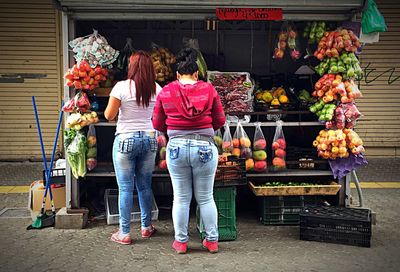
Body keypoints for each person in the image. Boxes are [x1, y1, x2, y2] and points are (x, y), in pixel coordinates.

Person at [152, 48, 226, 254]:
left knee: (181, 198)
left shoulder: (166, 91)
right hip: (205, 146)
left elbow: (157, 123)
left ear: (177, 75)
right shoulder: (209, 90)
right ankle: (211, 241)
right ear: (196, 74)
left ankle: (181, 243)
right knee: (206, 198)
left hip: (175, 148)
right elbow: (220, 120)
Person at [105, 51, 161, 245]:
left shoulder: (121, 87)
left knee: (125, 188)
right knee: (145, 186)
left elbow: (109, 115)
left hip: (125, 139)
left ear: (132, 67)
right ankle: (146, 227)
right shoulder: (157, 88)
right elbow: (161, 117)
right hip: (150, 139)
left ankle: (125, 232)